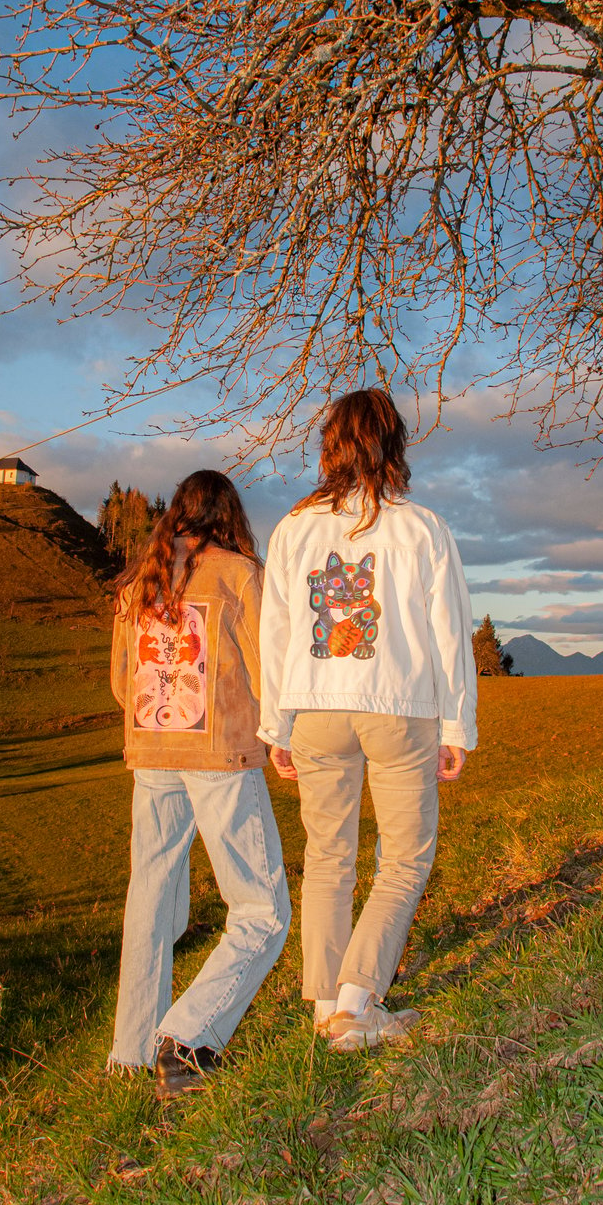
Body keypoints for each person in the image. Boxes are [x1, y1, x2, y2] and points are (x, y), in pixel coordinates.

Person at [258, 390, 477, 1052]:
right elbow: (449, 633)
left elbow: (277, 631)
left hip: (317, 706)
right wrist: (456, 725)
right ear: (393, 444)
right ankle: (357, 1005)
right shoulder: (422, 527)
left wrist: (278, 723)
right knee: (404, 859)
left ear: (330, 445)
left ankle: (327, 1004)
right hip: (398, 707)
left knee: (327, 859)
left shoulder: (294, 528)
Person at [107, 470, 290, 1097]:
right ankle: (188, 1036)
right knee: (262, 909)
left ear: (176, 513)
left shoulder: (139, 582)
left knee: (150, 898)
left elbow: (119, 682)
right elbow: (269, 670)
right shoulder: (239, 573)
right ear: (229, 515)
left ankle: (128, 1051)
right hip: (220, 756)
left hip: (152, 751)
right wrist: (278, 732)